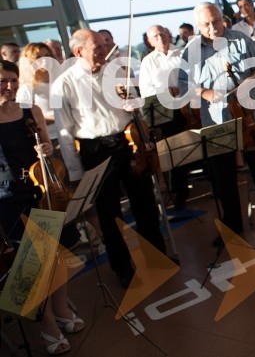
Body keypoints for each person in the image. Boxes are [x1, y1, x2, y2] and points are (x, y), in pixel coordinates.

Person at [52, 29, 165, 290]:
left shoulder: (117, 70)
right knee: (109, 214)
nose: (105, 51)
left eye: (104, 45)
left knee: (145, 203)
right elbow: (66, 133)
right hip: (96, 150)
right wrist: (77, 173)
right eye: (98, 48)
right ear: (78, 51)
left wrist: (132, 103)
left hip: (128, 143)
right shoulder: (64, 84)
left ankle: (157, 258)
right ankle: (123, 268)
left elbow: (137, 104)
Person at [177, 2, 255, 239]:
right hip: (216, 120)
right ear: (198, 26)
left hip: (249, 117)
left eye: (216, 21)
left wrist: (252, 79)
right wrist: (204, 93)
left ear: (222, 18)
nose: (213, 27)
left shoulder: (240, 39)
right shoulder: (191, 51)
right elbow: (184, 84)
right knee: (223, 178)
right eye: (206, 24)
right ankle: (232, 225)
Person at [0, 60, 85, 355]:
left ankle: (61, 309)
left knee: (57, 254)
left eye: (12, 80)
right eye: (2, 81)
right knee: (31, 265)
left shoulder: (30, 110)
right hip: (9, 198)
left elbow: (47, 145)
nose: (9, 86)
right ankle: (46, 324)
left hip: (42, 189)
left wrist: (45, 149)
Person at [139, 25, 190, 209]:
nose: (160, 38)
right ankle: (180, 193)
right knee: (175, 152)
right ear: (149, 41)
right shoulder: (148, 62)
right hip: (167, 110)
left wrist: (183, 89)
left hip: (189, 106)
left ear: (168, 34)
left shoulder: (184, 53)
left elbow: (195, 77)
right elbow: (146, 90)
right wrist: (166, 91)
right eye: (155, 36)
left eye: (162, 34)